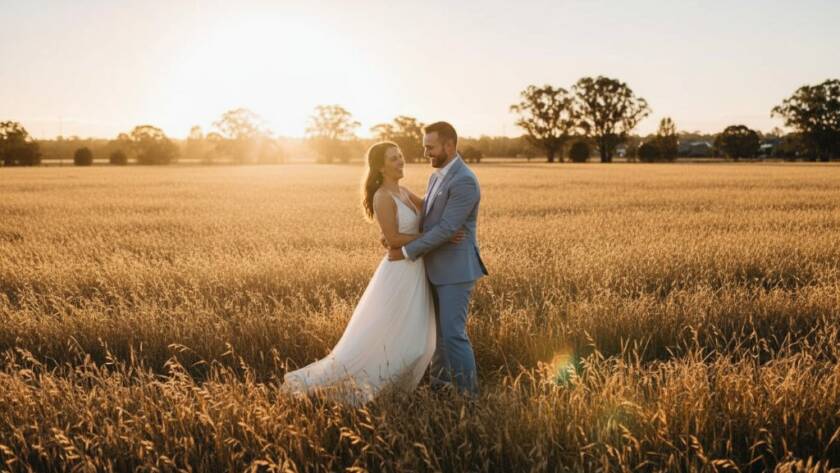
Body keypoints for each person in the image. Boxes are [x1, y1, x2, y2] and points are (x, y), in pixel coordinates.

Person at [282, 141, 464, 405]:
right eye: (393, 158)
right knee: (408, 341)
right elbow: (392, 238)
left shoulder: (403, 191)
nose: (401, 161)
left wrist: (453, 194)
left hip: (415, 270)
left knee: (420, 341)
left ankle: (392, 394)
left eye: (400, 156)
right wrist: (439, 236)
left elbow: (431, 210)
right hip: (400, 272)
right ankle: (360, 388)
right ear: (380, 166)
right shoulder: (382, 196)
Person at [386, 121, 488, 397]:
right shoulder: (436, 176)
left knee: (454, 335)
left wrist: (405, 250)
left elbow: (447, 228)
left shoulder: (464, 180)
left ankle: (471, 396)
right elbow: (433, 220)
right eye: (424, 147)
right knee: (439, 336)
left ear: (449, 145)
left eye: (430, 147)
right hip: (434, 267)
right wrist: (395, 233)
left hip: (456, 270)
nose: (426, 152)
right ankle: (440, 388)